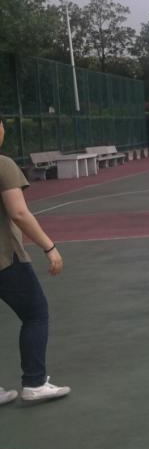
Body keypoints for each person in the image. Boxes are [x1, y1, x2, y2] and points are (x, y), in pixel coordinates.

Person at [0, 113, 70, 404]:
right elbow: (19, 213)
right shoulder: (3, 165)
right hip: (5, 258)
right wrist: (49, 246)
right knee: (35, 313)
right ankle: (34, 382)